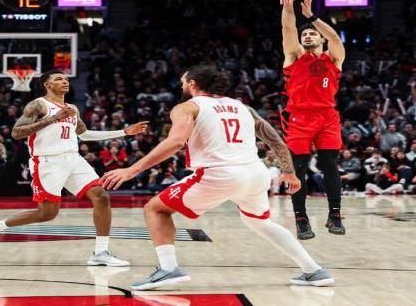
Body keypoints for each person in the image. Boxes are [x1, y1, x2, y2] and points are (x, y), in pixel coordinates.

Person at [102, 65, 335, 290]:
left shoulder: (187, 107)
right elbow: (275, 140)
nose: (181, 86)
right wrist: (289, 172)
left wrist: (131, 170)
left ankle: (168, 268)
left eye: (183, 82)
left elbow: (175, 142)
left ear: (193, 84)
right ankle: (313, 270)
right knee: (259, 222)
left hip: (220, 174)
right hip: (255, 173)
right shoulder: (242, 107)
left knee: (155, 209)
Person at [0, 70, 148, 266]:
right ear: (47, 85)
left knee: (101, 197)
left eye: (66, 79)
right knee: (47, 213)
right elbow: (17, 133)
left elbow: (84, 134)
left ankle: (100, 252)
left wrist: (124, 132)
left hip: (73, 159)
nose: (65, 81)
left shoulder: (72, 108)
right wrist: (53, 118)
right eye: (58, 79)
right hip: (48, 162)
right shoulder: (38, 105)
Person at [279, 0, 345, 239]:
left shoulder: (334, 58)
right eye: (304, 33)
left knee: (330, 164)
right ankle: (301, 219)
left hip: (327, 117)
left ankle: (335, 214)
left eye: (312, 34)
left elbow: (335, 37)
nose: (307, 36)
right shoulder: (295, 56)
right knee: (298, 168)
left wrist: (312, 17)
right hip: (299, 117)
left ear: (321, 39)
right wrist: (288, 8)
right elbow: (288, 29)